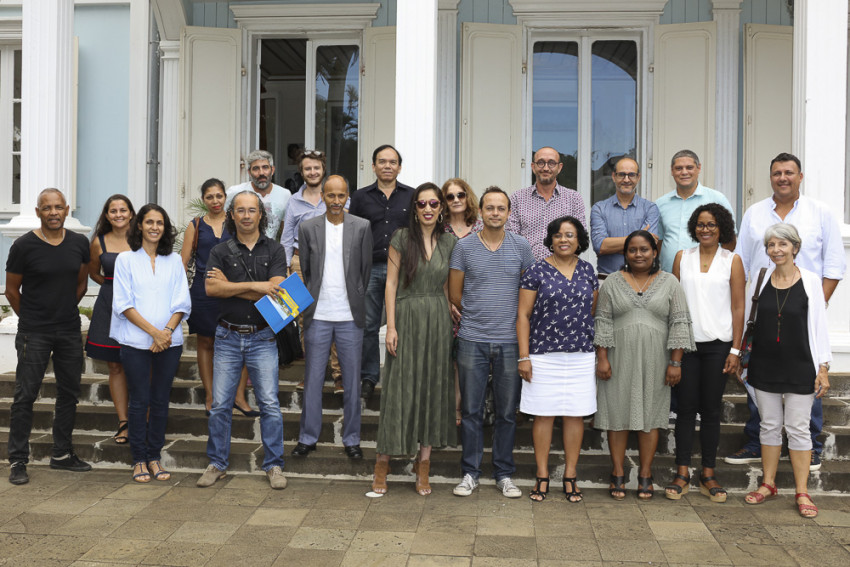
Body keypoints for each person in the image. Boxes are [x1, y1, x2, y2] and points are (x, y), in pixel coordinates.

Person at [727, 152, 845, 471]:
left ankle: (809, 444)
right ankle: (757, 441)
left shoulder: (820, 213)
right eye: (777, 173)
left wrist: (812, 305)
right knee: (761, 376)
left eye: (789, 172)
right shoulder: (754, 213)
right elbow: (744, 264)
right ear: (771, 178)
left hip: (801, 314)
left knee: (806, 377)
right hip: (764, 312)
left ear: (800, 177)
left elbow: (834, 266)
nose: (783, 178)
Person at [197, 190, 288, 490]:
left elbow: (277, 290)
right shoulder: (221, 251)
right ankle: (217, 463)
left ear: (261, 214)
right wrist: (256, 286)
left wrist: (232, 286)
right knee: (221, 404)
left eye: (252, 210)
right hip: (227, 336)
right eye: (240, 210)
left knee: (270, 405)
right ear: (231, 215)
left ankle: (274, 465)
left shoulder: (275, 250)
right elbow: (211, 290)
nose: (246, 216)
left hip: (263, 337)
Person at [594, 230, 695, 500]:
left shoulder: (670, 282)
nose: (639, 255)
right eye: (633, 250)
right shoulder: (613, 282)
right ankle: (617, 473)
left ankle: (645, 474)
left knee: (650, 415)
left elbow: (679, 323)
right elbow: (602, 320)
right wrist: (602, 358)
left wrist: (676, 362)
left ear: (654, 252)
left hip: (657, 358)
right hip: (617, 357)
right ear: (625, 254)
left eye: (644, 250)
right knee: (617, 415)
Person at [372, 183, 457, 496]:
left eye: (434, 203)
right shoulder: (400, 238)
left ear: (441, 208)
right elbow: (390, 285)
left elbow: (447, 285)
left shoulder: (450, 242)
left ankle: (424, 468)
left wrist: (449, 306)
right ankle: (382, 464)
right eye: (422, 204)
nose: (428, 209)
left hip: (437, 319)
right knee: (399, 389)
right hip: (406, 316)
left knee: (433, 389)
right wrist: (390, 327)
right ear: (414, 208)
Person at [449, 187, 535, 499]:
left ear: (509, 213)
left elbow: (527, 294)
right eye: (490, 208)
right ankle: (470, 472)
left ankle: (504, 474)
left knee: (507, 412)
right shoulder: (464, 247)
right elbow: (455, 293)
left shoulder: (522, 246)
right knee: (471, 410)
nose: (495, 213)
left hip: (511, 341)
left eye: (501, 208)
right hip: (472, 338)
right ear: (481, 211)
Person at [742, 223, 830, 519]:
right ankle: (768, 484)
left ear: (795, 247)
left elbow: (820, 327)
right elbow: (747, 321)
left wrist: (823, 368)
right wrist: (739, 356)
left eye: (782, 244)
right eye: (771, 245)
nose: (776, 250)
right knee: (768, 425)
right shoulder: (759, 278)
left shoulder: (811, 281)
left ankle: (802, 491)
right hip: (764, 363)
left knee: (798, 428)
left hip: (800, 364)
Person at [6, 188, 92, 485]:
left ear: (67, 210)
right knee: (25, 396)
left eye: (58, 207)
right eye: (47, 208)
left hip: (68, 330)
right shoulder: (24, 245)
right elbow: (11, 290)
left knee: (68, 394)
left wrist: (66, 308)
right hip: (34, 332)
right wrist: (30, 318)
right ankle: (17, 460)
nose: (53, 212)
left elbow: (81, 283)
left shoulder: (79, 243)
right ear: (38, 211)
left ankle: (62, 454)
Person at [665, 204, 745, 502]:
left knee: (710, 410)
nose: (706, 229)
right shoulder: (681, 258)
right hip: (686, 344)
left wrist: (736, 350)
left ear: (721, 227)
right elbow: (673, 304)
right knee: (685, 409)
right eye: (700, 224)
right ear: (693, 228)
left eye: (711, 224)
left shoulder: (732, 260)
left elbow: (739, 307)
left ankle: (708, 473)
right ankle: (682, 471)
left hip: (718, 346)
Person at [517, 216, 598, 503]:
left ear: (579, 240)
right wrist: (524, 357)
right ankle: (541, 475)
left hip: (581, 355)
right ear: (550, 239)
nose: (564, 240)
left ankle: (570, 475)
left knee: (575, 414)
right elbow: (523, 316)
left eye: (570, 235)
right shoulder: (536, 271)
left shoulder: (588, 271)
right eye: (558, 235)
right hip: (543, 355)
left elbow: (593, 313)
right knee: (544, 414)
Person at [111, 204, 191, 483]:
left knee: (159, 400)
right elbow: (124, 304)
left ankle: (154, 456)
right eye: (149, 222)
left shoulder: (174, 261)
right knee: (139, 400)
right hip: (135, 342)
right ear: (140, 226)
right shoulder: (125, 260)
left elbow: (182, 300)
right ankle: (138, 459)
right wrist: (153, 333)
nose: (155, 227)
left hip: (170, 342)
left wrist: (166, 332)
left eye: (160, 222)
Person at [294, 176, 371, 459]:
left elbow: (364, 271)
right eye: (331, 196)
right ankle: (307, 437)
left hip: (350, 315)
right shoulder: (308, 227)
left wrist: (355, 298)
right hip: (318, 314)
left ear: (347, 196)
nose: (336, 201)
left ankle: (352, 440)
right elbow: (307, 270)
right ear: (323, 196)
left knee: (351, 381)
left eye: (341, 196)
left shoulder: (362, 226)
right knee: (313, 379)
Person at [180, 179, 257, 417]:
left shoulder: (236, 222)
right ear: (203, 200)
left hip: (235, 290)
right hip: (203, 293)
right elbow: (182, 264)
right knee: (206, 343)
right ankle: (211, 397)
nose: (215, 201)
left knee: (241, 344)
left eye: (219, 196)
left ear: (226, 198)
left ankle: (238, 396)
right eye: (210, 197)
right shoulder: (195, 225)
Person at [348, 144, 414, 399]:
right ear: (373, 166)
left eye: (392, 161)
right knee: (368, 325)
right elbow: (352, 234)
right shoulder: (361, 197)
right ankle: (369, 376)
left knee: (405, 323)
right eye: (382, 161)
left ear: (399, 166)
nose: (387, 166)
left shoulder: (412, 195)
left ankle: (403, 373)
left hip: (405, 269)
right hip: (372, 267)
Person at [280, 149, 345, 393]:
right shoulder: (294, 202)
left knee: (336, 315)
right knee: (306, 320)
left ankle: (339, 375)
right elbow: (286, 238)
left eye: (316, 168)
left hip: (333, 263)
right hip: (300, 263)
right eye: (308, 168)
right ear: (302, 172)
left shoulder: (338, 196)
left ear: (323, 169)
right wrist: (286, 269)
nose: (312, 172)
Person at [85, 195, 135, 444]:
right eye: (113, 210)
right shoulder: (98, 242)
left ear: (131, 213)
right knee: (115, 366)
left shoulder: (142, 239)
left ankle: (143, 419)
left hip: (139, 307)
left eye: (123, 210)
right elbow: (93, 272)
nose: (118, 214)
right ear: (106, 215)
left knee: (140, 364)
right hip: (109, 305)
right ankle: (124, 422)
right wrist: (111, 287)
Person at [441, 178, 482, 425]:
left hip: (475, 303)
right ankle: (444, 407)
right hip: (443, 300)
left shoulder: (479, 227)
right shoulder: (438, 228)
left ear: (468, 197)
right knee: (446, 358)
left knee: (464, 361)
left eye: (460, 195)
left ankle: (460, 408)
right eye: (450, 196)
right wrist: (447, 302)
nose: (456, 200)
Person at [656, 150, 736, 273]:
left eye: (689, 167)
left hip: (707, 276)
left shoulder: (717, 199)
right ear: (672, 171)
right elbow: (659, 242)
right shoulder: (660, 204)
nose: (684, 172)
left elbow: (729, 240)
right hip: (669, 276)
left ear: (699, 168)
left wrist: (716, 268)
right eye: (678, 168)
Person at [506, 146, 587, 260]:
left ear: (559, 167)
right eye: (540, 163)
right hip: (525, 270)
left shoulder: (573, 198)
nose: (546, 168)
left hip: (562, 270)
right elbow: (511, 238)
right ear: (533, 167)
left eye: (551, 163)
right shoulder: (517, 198)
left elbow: (580, 237)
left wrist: (560, 267)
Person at [590, 157, 659, 278]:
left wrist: (614, 245)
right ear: (613, 176)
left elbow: (648, 246)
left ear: (638, 177)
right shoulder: (599, 208)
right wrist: (637, 240)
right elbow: (600, 246)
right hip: (607, 279)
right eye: (622, 174)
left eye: (631, 175)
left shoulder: (650, 208)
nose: (626, 179)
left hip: (640, 281)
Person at [225, 149, 291, 240]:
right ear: (249, 173)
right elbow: (222, 221)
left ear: (272, 170)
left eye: (265, 167)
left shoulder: (284, 194)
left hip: (271, 251)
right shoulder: (235, 192)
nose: (261, 173)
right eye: (256, 168)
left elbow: (286, 230)